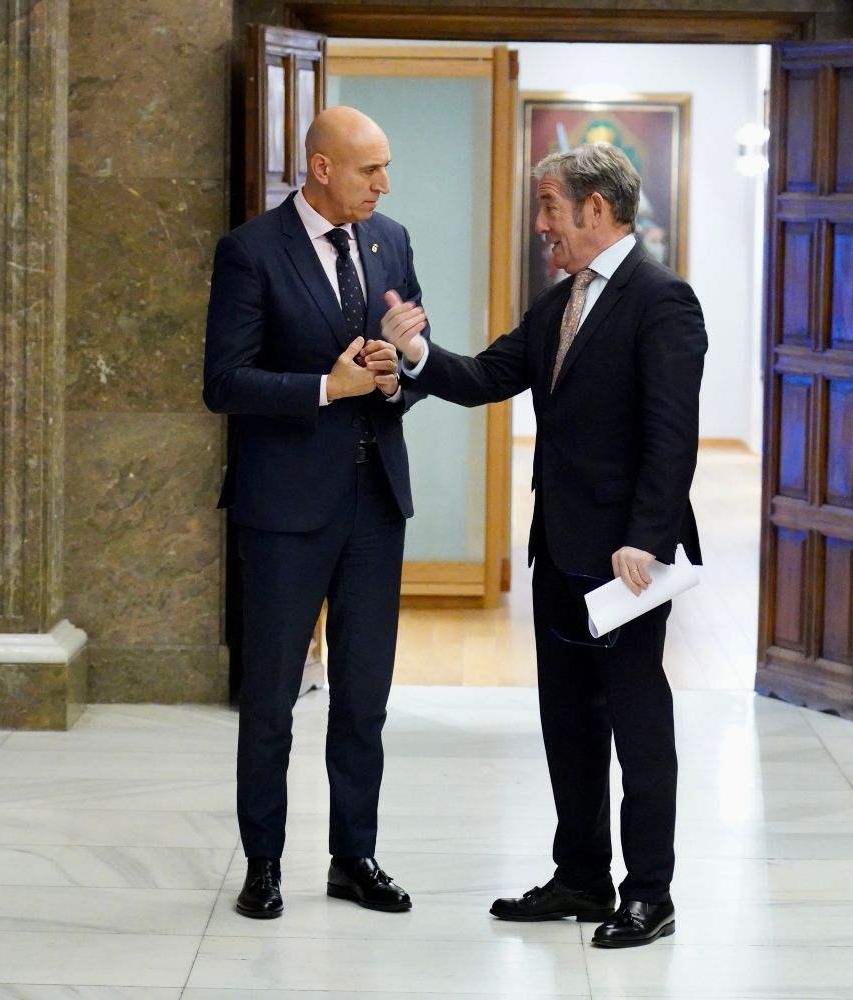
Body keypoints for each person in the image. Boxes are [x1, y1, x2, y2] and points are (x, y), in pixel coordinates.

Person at [381, 141, 705, 948]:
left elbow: (672, 436)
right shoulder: (561, 300)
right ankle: (583, 879)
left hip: (627, 562)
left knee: (637, 722)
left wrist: (645, 540)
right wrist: (414, 352)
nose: (540, 228)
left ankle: (650, 893)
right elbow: (488, 376)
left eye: (550, 209)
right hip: (559, 547)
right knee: (567, 720)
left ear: (597, 209)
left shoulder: (663, 301)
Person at [203, 106, 424, 920]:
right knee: (270, 699)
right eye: (370, 171)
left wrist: (398, 370)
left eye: (386, 168)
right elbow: (223, 384)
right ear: (322, 168)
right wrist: (330, 387)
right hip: (284, 509)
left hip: (376, 505)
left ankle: (353, 858)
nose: (384, 185)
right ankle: (263, 862)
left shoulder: (390, 240)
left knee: (364, 698)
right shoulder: (251, 251)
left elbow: (411, 366)